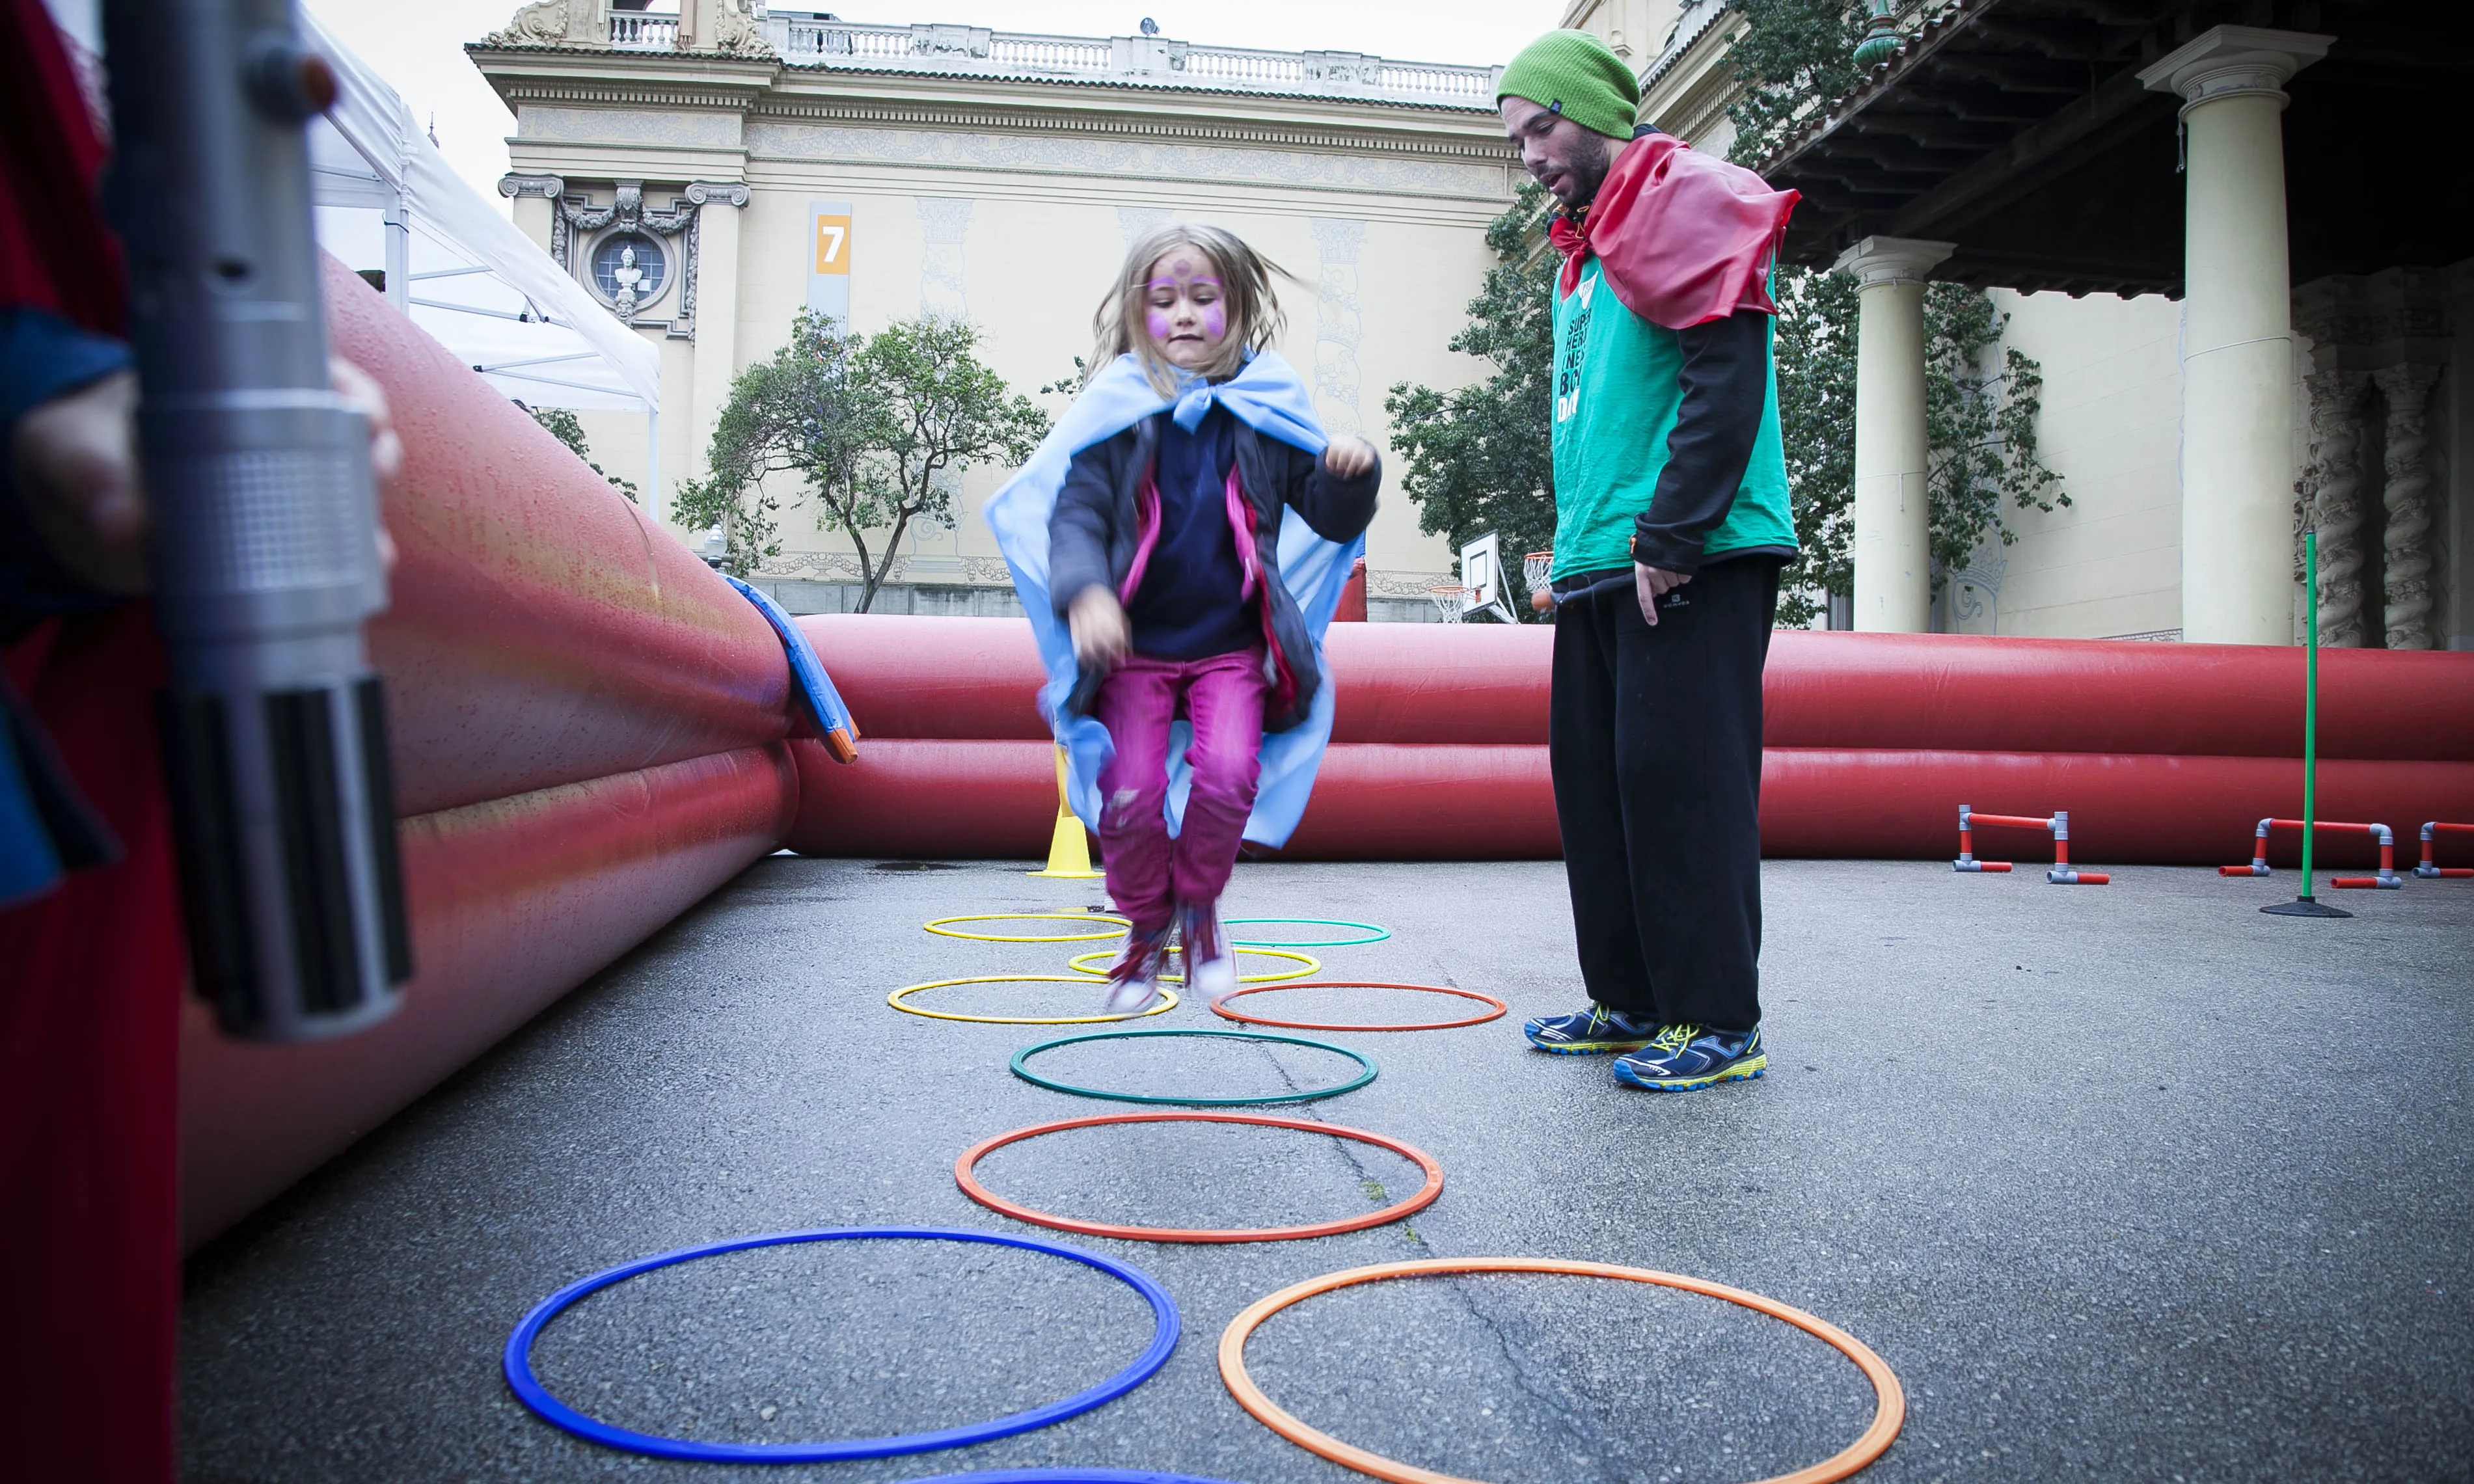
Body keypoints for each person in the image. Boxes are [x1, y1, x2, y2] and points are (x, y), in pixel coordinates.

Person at [1495, 31, 1801, 1092]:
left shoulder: (1684, 199)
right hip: (1599, 560)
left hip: (1694, 550)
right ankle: (1629, 1001)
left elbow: (1725, 378)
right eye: (1517, 137)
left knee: (1682, 782)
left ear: (1598, 114)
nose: (1529, 153)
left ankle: (1718, 1018)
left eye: (1542, 126)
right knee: (1598, 782)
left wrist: (1670, 537)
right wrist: (1575, 548)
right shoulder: (1581, 251)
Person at [986, 225, 1379, 1013]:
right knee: (1128, 794)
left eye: (1204, 298)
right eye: (1164, 301)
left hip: (1233, 649)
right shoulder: (1117, 414)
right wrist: (1087, 594)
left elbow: (1331, 521)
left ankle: (1199, 907)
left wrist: (1353, 471)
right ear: (1138, 317)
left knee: (1231, 773)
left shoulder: (1264, 409)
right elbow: (1075, 518)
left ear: (1237, 307)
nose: (1186, 316)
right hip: (1135, 654)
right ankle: (1145, 927)